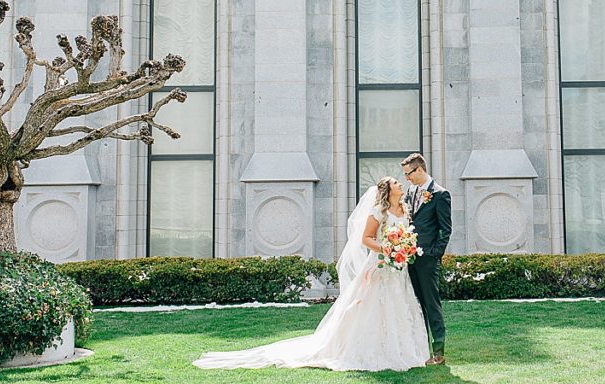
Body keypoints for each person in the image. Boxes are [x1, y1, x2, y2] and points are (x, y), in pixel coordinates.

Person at [192, 176, 429, 372]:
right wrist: (387, 248)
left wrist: (403, 248)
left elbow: (406, 235)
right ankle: (367, 349)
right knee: (373, 306)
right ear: (388, 190)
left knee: (398, 304)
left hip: (398, 269)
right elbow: (365, 239)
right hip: (378, 264)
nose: (401, 185)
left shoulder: (404, 210)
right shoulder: (379, 212)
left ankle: (399, 348)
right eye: (397, 183)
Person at [400, 153, 452, 365]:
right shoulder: (411, 192)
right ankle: (421, 349)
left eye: (408, 174)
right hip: (408, 259)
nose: (407, 179)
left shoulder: (440, 194)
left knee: (431, 304)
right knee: (416, 305)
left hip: (428, 260)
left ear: (419, 170)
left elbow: (445, 230)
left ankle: (438, 351)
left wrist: (433, 254)